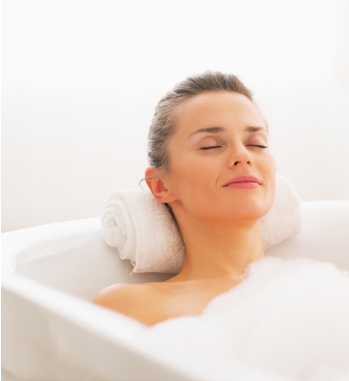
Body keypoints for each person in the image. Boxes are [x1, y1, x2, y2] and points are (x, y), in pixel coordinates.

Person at [93, 72, 277, 326]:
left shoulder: (339, 286)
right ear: (161, 185)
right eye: (210, 146)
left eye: (257, 143)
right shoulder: (129, 307)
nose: (243, 155)